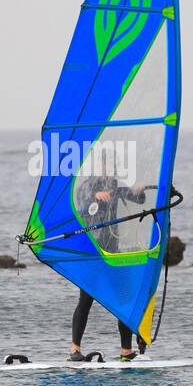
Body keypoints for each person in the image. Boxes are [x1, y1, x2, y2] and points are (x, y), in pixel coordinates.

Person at [68, 150, 151, 362]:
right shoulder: (86, 186)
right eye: (104, 165)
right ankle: (75, 350)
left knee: (123, 298)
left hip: (113, 252)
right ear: (97, 166)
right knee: (85, 301)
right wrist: (95, 197)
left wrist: (138, 190)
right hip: (93, 251)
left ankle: (126, 351)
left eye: (111, 165)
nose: (107, 169)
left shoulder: (114, 185)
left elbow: (137, 199)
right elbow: (81, 206)